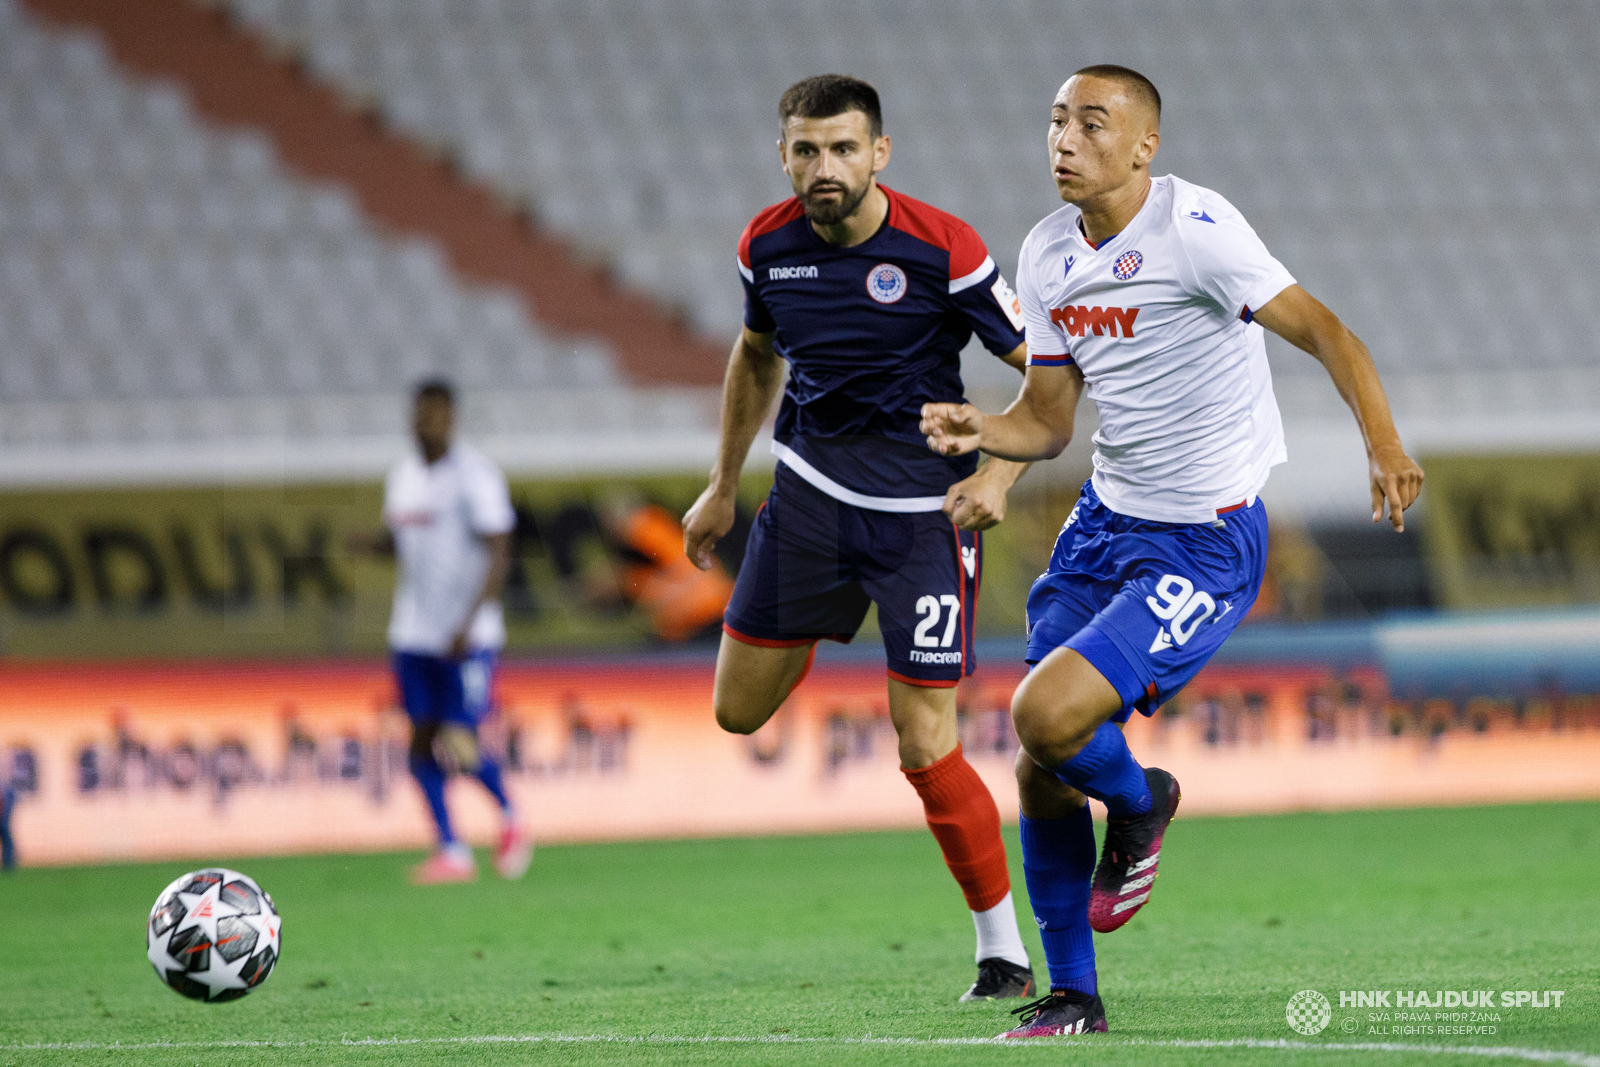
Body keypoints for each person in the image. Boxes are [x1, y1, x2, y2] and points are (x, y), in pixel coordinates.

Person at [920, 65, 1423, 1037]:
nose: (1063, 139)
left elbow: (1328, 331)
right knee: (1038, 759)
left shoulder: (1197, 232)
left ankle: (1143, 798)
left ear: (1144, 145)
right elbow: (1049, 420)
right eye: (1056, 121)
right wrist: (982, 434)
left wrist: (1384, 443)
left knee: (1044, 712)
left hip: (1202, 540)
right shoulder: (1047, 250)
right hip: (1104, 524)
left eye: (1091, 123)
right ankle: (1073, 994)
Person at [682, 74, 1040, 1001]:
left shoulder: (945, 249)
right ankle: (816, 619)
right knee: (737, 711)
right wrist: (722, 486)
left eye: (843, 148)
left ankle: (1000, 951)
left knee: (923, 742)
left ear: (880, 152)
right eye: (806, 150)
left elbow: (1048, 371)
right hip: (805, 500)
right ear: (783, 155)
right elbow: (757, 354)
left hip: (923, 520)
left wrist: (996, 472)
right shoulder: (766, 245)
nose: (824, 167)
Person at [350, 379, 532, 884]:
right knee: (419, 743)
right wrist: (372, 545)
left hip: (466, 636)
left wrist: (470, 620)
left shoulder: (475, 475)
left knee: (461, 741)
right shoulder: (403, 475)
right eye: (420, 412)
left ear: (452, 417)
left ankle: (513, 817)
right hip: (413, 633)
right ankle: (452, 850)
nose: (426, 421)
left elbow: (499, 550)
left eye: (436, 412)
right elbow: (406, 540)